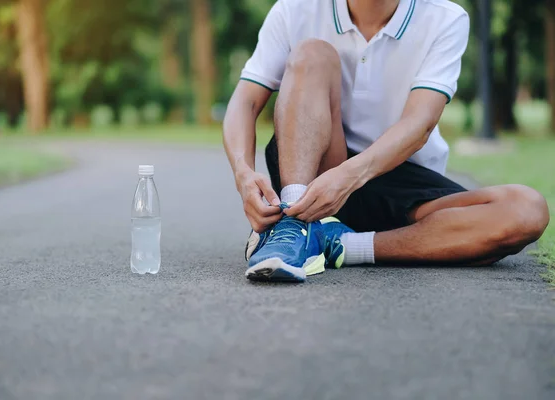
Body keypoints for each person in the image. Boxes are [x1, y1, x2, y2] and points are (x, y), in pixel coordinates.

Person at [222, 0, 550, 282]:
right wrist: (243, 174)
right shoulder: (295, 9)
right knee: (312, 53)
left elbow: (419, 123)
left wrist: (350, 177)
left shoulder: (445, 17)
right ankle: (294, 227)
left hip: (399, 175)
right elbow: (246, 101)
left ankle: (340, 245)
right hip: (315, 173)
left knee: (525, 210)